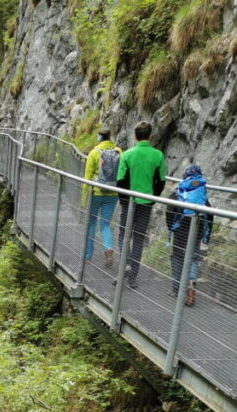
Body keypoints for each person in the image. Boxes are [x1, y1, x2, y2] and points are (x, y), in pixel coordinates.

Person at [116, 121, 166, 289]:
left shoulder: (127, 155)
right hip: (146, 203)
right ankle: (133, 276)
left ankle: (124, 268)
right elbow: (161, 181)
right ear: (150, 136)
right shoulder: (158, 155)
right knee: (138, 238)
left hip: (129, 202)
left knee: (124, 236)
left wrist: (123, 201)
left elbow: (121, 181)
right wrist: (152, 198)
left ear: (135, 136)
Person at [165, 163, 213, 307]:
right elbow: (210, 215)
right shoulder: (202, 192)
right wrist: (206, 234)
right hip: (196, 230)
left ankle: (176, 288)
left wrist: (171, 228)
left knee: (177, 257)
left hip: (180, 230)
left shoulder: (179, 191)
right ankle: (191, 284)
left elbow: (169, 210)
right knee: (192, 258)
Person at [82, 126, 122, 267]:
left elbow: (87, 177)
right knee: (105, 224)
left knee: (91, 223)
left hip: (96, 193)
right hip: (112, 193)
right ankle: (108, 248)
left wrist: (83, 199)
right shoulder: (119, 152)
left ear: (99, 138)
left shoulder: (94, 153)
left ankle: (87, 256)